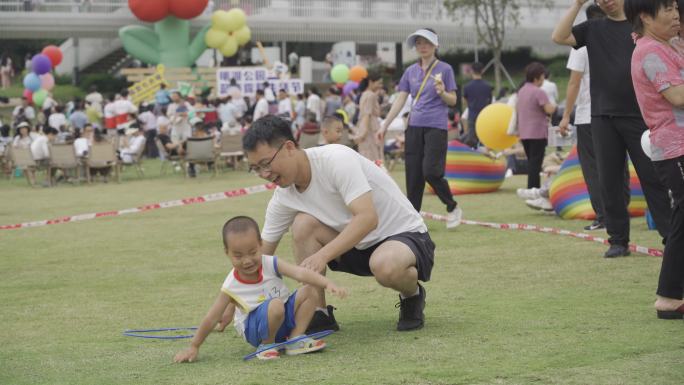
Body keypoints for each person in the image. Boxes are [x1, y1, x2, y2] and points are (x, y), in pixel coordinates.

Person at [243, 116, 435, 332]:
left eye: (266, 164)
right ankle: (318, 313)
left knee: (385, 265)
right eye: (255, 168)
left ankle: (412, 296)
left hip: (403, 236)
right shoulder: (283, 197)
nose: (264, 174)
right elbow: (262, 255)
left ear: (289, 147)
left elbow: (367, 218)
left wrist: (323, 255)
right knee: (302, 224)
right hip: (356, 247)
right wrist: (234, 300)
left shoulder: (336, 159)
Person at [552, 0, 672, 257]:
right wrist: (576, 4)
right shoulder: (593, 29)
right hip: (603, 116)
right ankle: (618, 239)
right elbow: (559, 36)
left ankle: (670, 237)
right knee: (609, 181)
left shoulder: (642, 24)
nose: (606, 1)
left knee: (653, 177)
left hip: (641, 114)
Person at [173, 216, 348, 362]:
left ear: (260, 245)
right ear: (227, 253)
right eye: (238, 255)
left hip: (284, 318)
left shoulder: (270, 263)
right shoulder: (231, 284)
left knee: (310, 289)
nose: (247, 260)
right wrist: (194, 346)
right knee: (276, 304)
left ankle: (295, 339)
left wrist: (326, 283)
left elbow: (300, 273)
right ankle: (267, 345)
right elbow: (211, 318)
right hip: (255, 330)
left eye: (252, 252)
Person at [625, 0, 684, 319]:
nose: (676, 14)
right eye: (668, 9)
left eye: (676, 7)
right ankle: (669, 297)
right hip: (675, 146)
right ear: (645, 17)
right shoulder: (649, 51)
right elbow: (677, 96)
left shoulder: (670, 45)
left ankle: (671, 296)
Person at [379, 28, 462, 229]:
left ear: (435, 45)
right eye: (418, 43)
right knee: (413, 175)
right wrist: (385, 124)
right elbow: (400, 99)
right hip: (414, 126)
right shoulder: (410, 71)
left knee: (431, 172)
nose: (422, 46)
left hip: (436, 126)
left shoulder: (445, 69)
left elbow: (453, 100)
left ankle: (452, 206)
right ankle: (412, 220)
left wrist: (442, 92)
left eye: (426, 42)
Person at [557, 5, 608, 231]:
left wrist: (566, 115)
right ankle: (618, 210)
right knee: (616, 166)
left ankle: (603, 216)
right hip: (613, 112)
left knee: (592, 167)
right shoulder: (614, 37)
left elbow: (574, 83)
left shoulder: (581, 45)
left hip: (588, 114)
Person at [516, 62, 557, 189]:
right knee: (536, 163)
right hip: (537, 132)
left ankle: (532, 188)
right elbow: (549, 109)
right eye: (542, 77)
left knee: (532, 162)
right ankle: (533, 189)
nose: (543, 79)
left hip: (524, 132)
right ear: (536, 78)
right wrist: (554, 106)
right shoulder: (539, 92)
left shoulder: (521, 91)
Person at [353, 71, 384, 163]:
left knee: (368, 155)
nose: (380, 85)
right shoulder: (370, 95)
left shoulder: (365, 94)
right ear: (371, 82)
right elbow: (367, 114)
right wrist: (364, 133)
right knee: (373, 156)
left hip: (366, 126)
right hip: (370, 128)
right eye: (379, 83)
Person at [462, 62, 493, 148]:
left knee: (471, 140)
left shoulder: (467, 87)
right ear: (482, 71)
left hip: (472, 115)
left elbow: (464, 101)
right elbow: (490, 101)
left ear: (471, 71)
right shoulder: (488, 86)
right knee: (484, 139)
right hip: (485, 116)